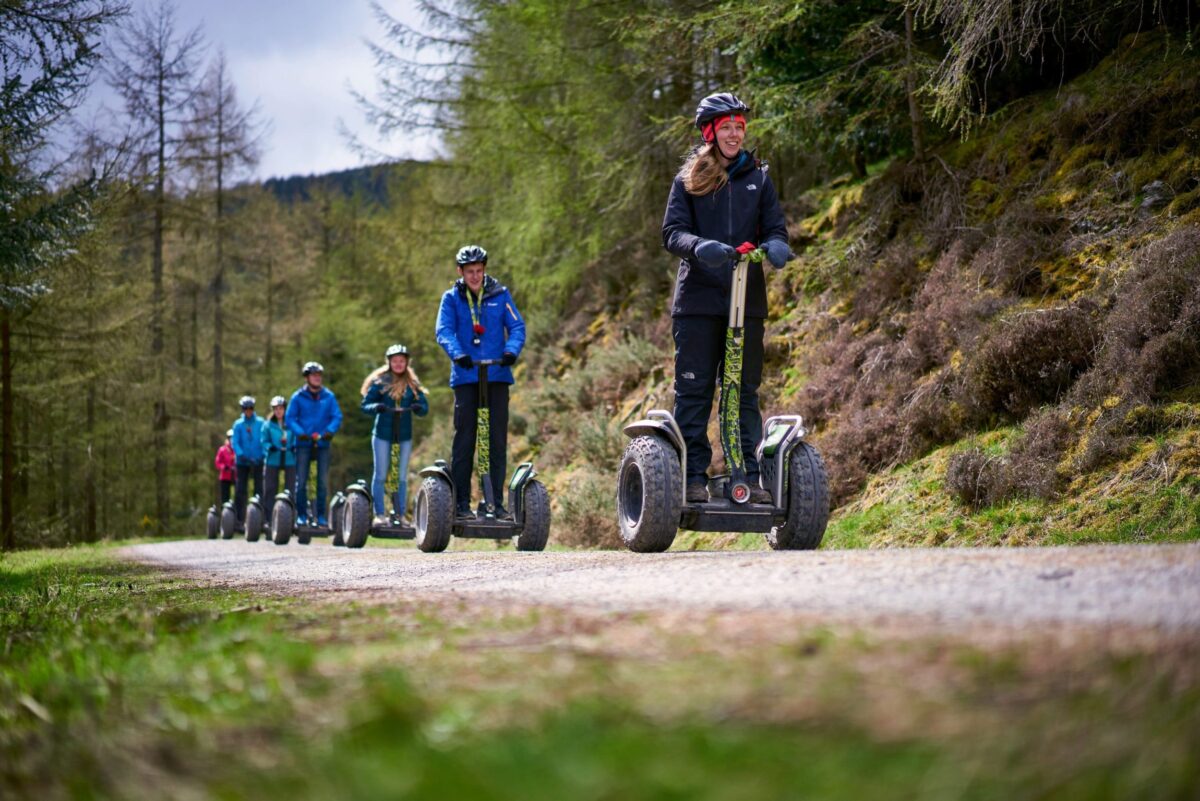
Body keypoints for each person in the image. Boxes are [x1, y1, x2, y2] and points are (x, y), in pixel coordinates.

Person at [661, 92, 793, 504]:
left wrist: (776, 246)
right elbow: (672, 233)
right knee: (695, 391)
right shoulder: (689, 180)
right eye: (727, 128)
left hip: (746, 303)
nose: (735, 134)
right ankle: (693, 478)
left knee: (742, 390)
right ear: (711, 132)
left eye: (740, 127)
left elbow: (775, 228)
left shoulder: (759, 178)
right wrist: (700, 246)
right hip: (699, 303)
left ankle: (748, 475)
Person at [435, 245, 526, 519]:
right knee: (465, 440)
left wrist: (511, 350)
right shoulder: (451, 299)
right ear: (460, 272)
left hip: (497, 376)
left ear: (484, 269)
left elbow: (517, 326)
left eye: (479, 270)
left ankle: (495, 504)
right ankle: (461, 505)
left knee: (496, 440)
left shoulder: (500, 294)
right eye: (469, 272)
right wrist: (458, 354)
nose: (475, 276)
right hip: (466, 376)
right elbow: (444, 330)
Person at [360, 344, 430, 525]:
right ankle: (380, 514)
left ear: (406, 362)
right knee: (381, 474)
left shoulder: (412, 384)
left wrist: (418, 407)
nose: (398, 364)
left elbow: (424, 409)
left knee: (400, 476)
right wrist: (376, 407)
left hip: (404, 436)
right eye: (395, 361)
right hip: (383, 434)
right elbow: (365, 405)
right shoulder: (380, 382)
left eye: (401, 361)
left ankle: (399, 515)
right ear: (389, 362)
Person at [284, 361, 342, 526]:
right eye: (313, 375)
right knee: (301, 481)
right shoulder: (298, 397)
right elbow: (290, 418)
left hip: (323, 444)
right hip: (303, 444)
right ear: (307, 378)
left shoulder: (328, 396)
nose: (317, 378)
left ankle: (321, 516)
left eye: (319, 375)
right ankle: (301, 515)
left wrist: (329, 432)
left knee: (322, 482)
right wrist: (300, 433)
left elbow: (337, 416)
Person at [230, 396, 265, 522]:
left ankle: (260, 517)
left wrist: (262, 455)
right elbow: (235, 442)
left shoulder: (261, 422)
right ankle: (240, 518)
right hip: (242, 462)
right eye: (246, 408)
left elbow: (264, 439)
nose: (248, 411)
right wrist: (241, 455)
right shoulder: (238, 424)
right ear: (242, 409)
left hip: (258, 460)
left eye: (250, 408)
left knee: (259, 488)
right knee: (241, 490)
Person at [260, 395, 296, 508]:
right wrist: (270, 447)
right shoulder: (267, 425)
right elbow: (263, 440)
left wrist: (294, 446)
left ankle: (290, 515)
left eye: (280, 408)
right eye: (275, 409)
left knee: (290, 488)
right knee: (270, 488)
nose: (278, 411)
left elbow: (296, 436)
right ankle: (269, 517)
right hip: (273, 459)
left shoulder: (291, 423)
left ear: (285, 409)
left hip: (289, 458)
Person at [214, 430, 235, 504]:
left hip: (236, 476)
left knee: (238, 496)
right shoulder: (222, 450)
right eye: (230, 438)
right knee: (225, 498)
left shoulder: (237, 449)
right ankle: (225, 513)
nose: (232, 439)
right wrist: (224, 467)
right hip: (225, 477)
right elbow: (217, 463)